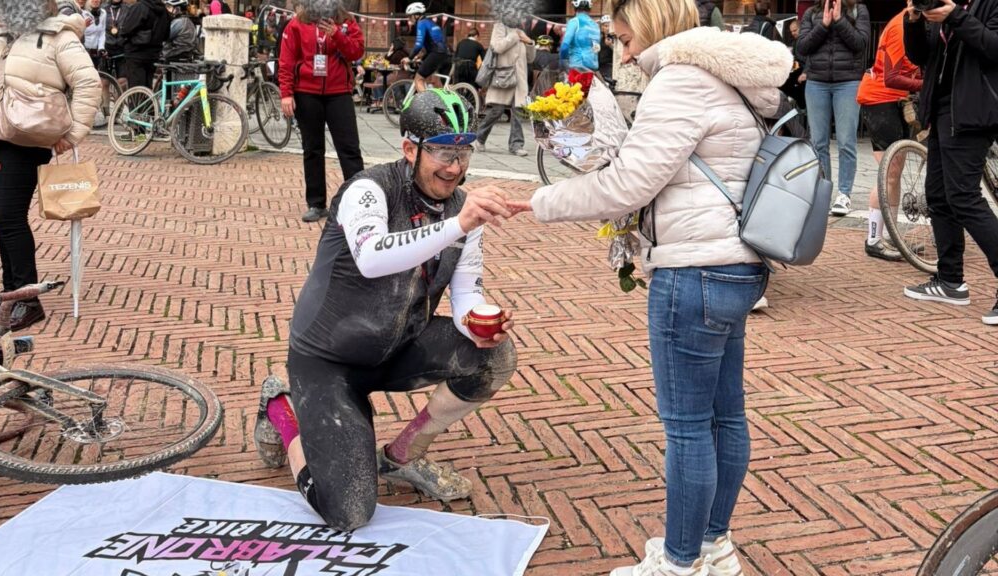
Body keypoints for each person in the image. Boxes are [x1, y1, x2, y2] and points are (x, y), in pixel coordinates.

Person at [506, 0, 792, 571]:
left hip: (693, 269)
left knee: (687, 429)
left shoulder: (681, 81)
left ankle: (680, 562)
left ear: (653, 24)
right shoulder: (728, 77)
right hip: (738, 263)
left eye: (625, 37)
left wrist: (537, 203)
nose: (624, 51)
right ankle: (714, 545)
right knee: (725, 417)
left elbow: (630, 184)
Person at [252, 88, 518, 532]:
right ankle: (281, 407)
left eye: (463, 153)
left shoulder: (460, 210)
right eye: (441, 153)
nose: (454, 168)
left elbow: (466, 292)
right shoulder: (369, 190)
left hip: (396, 346)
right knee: (348, 512)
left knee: (495, 357)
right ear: (410, 148)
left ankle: (400, 457)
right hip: (328, 360)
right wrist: (458, 224)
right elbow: (372, 256)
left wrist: (478, 323)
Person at [0, 1, 101, 332]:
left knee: (9, 217)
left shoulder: (59, 37)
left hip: (26, 140)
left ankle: (27, 300)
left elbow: (89, 83)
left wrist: (73, 133)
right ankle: (10, 294)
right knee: (1, 217)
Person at [903, 0, 998, 325]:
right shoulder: (942, 8)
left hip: (974, 111)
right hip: (943, 110)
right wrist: (914, 19)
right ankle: (950, 280)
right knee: (939, 196)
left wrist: (955, 16)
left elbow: (993, 47)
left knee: (963, 197)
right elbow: (920, 56)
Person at [278, 1, 364, 223]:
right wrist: (286, 93)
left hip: (339, 92)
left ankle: (360, 202)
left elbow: (356, 52)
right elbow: (287, 61)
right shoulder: (296, 24)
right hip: (306, 92)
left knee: (349, 149)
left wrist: (336, 34)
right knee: (312, 149)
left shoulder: (346, 21)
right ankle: (316, 204)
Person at [856, 9, 922, 262]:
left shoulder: (917, 23)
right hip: (880, 99)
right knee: (889, 171)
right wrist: (930, 85)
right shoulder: (899, 27)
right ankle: (873, 240)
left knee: (895, 171)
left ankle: (892, 237)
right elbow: (893, 78)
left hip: (895, 100)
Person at [795, 0, 871, 217]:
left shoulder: (859, 9)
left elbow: (861, 43)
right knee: (818, 142)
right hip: (816, 83)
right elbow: (802, 47)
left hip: (848, 82)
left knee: (847, 141)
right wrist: (824, 25)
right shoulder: (811, 13)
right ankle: (823, 192)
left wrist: (839, 21)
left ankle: (844, 194)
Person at [472, 15, 532, 157]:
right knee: (496, 111)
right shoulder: (500, 27)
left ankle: (516, 145)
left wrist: (529, 42)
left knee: (518, 112)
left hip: (519, 79)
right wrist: (513, 36)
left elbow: (530, 58)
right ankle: (479, 138)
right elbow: (497, 47)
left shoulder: (520, 31)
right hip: (503, 77)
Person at [119, 0, 169, 89]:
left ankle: (138, 103)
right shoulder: (164, 10)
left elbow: (126, 29)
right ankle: (148, 102)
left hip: (136, 53)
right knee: (148, 86)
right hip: (154, 54)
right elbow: (166, 34)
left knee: (136, 89)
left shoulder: (140, 7)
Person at [402, 2, 449, 94]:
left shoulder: (421, 23)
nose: (409, 19)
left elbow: (419, 44)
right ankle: (443, 103)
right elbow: (433, 43)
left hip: (436, 53)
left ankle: (426, 106)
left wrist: (409, 57)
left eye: (409, 16)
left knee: (418, 79)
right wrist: (421, 56)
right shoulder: (430, 22)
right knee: (435, 80)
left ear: (416, 15)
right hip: (443, 53)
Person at [559, 0, 600, 72]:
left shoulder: (575, 21)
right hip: (593, 67)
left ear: (575, 7)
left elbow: (564, 46)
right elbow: (596, 48)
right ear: (589, 9)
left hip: (577, 66)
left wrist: (563, 61)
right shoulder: (595, 25)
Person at [103, 0, 126, 81]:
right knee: (104, 82)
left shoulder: (128, 9)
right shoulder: (103, 9)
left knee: (122, 81)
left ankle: (122, 94)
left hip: (122, 49)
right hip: (106, 49)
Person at [598, 14, 614, 82]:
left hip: (609, 67)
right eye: (606, 26)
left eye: (609, 26)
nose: (608, 28)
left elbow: (618, 53)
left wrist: (610, 45)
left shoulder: (614, 38)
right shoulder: (600, 38)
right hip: (600, 67)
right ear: (602, 27)